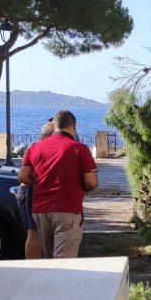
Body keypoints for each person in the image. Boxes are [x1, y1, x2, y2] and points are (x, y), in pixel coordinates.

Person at [19, 110, 98, 258]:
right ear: (73, 126)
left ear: (54, 127)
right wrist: (82, 189)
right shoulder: (78, 148)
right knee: (64, 262)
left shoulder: (35, 147)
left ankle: (47, 281)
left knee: (49, 258)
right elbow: (91, 181)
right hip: (67, 208)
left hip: (41, 210)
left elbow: (23, 176)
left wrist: (41, 183)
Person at [14, 120, 56, 259]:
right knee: (34, 234)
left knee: (41, 234)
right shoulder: (37, 147)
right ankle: (33, 265)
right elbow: (25, 176)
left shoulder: (36, 147)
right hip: (30, 192)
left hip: (35, 192)